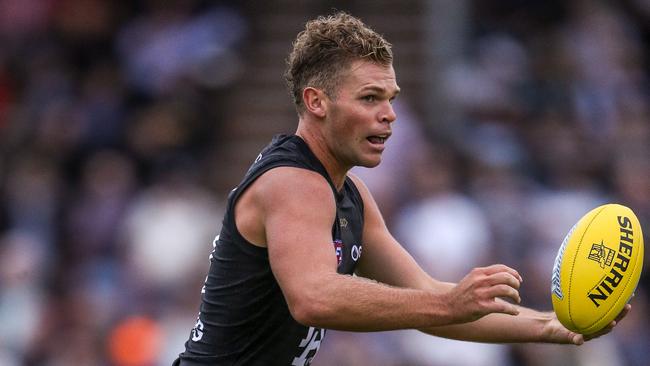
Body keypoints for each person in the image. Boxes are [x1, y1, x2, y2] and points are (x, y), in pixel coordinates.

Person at [173, 11, 629, 366]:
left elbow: (432, 300)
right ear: (316, 102)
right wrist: (447, 303)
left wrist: (551, 326)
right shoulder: (294, 182)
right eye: (370, 98)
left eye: (391, 98)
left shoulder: (350, 196)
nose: (389, 114)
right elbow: (314, 298)